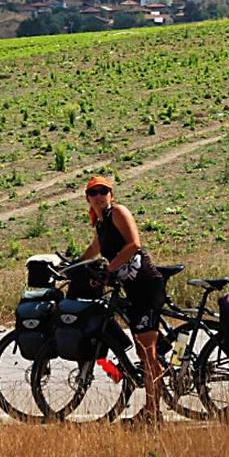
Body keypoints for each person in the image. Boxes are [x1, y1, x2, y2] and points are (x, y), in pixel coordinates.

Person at [80, 175, 165, 426]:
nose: (99, 196)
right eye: (93, 192)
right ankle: (152, 408)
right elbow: (96, 247)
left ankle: (152, 413)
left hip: (145, 284)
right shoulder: (100, 221)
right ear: (87, 198)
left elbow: (133, 245)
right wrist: (73, 265)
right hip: (132, 287)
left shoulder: (118, 212)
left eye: (103, 191)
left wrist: (109, 269)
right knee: (143, 349)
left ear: (111, 194)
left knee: (148, 354)